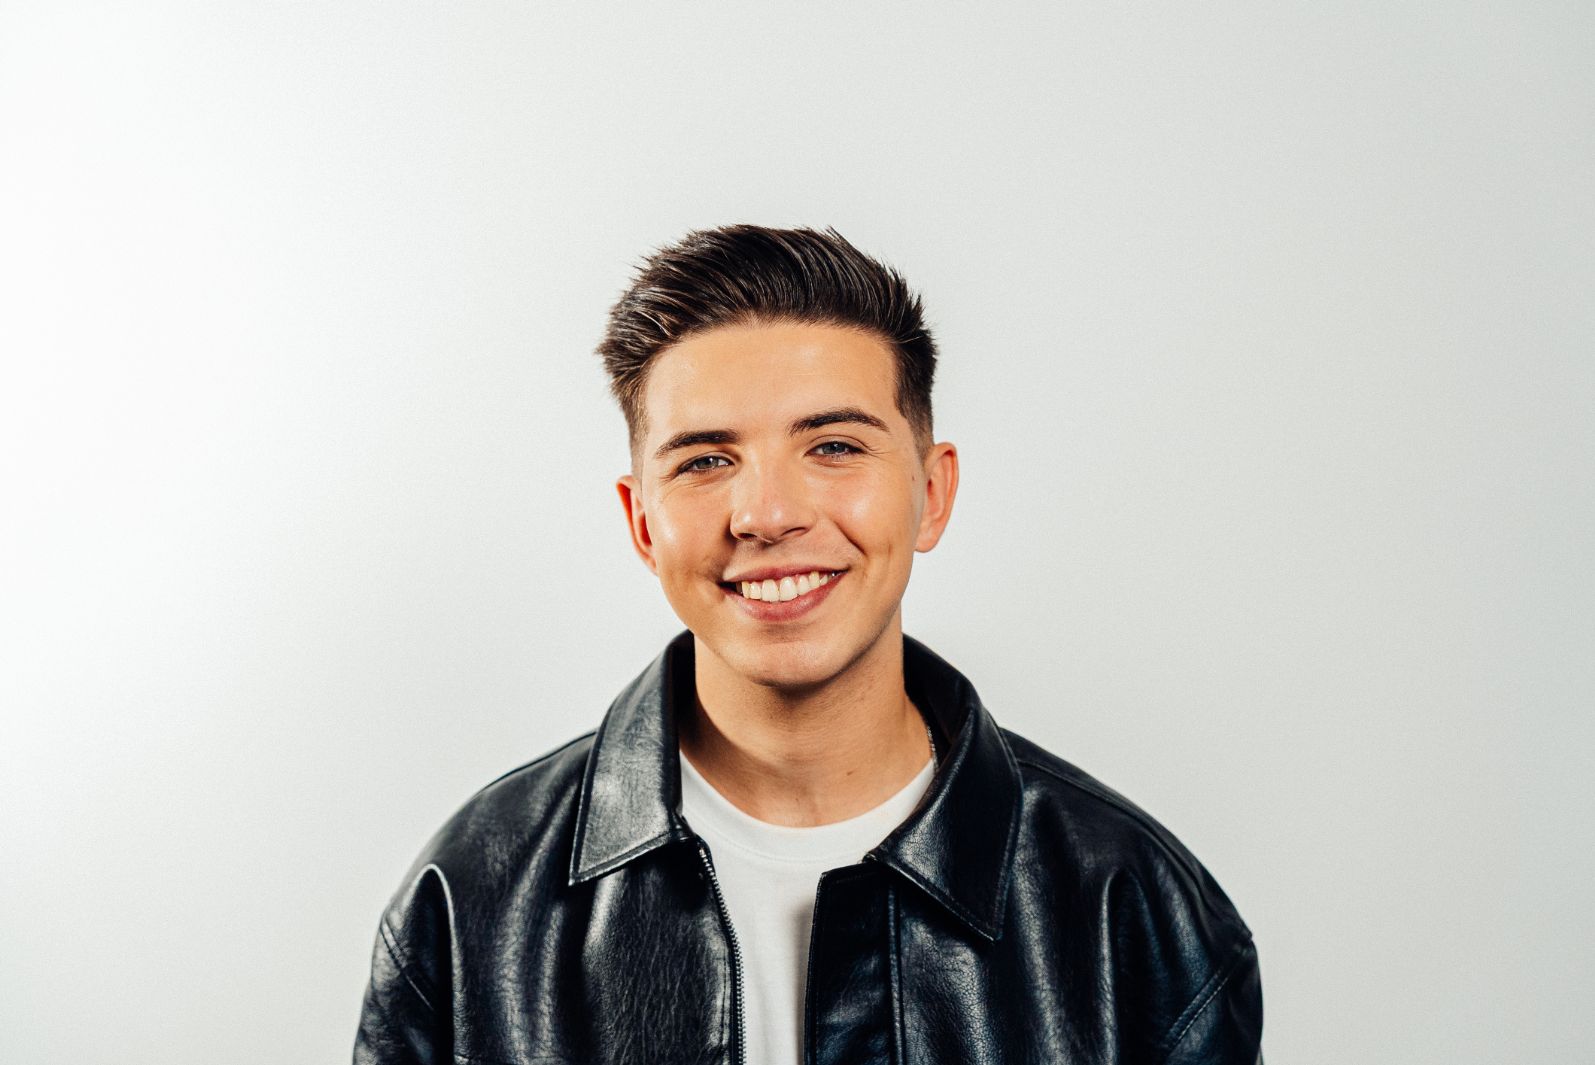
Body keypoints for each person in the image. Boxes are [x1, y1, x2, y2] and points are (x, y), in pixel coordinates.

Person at [354, 225, 1264, 1064]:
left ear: (932, 493)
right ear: (641, 524)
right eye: (705, 461)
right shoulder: (472, 895)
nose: (768, 514)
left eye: (832, 446)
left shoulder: (1131, 905)